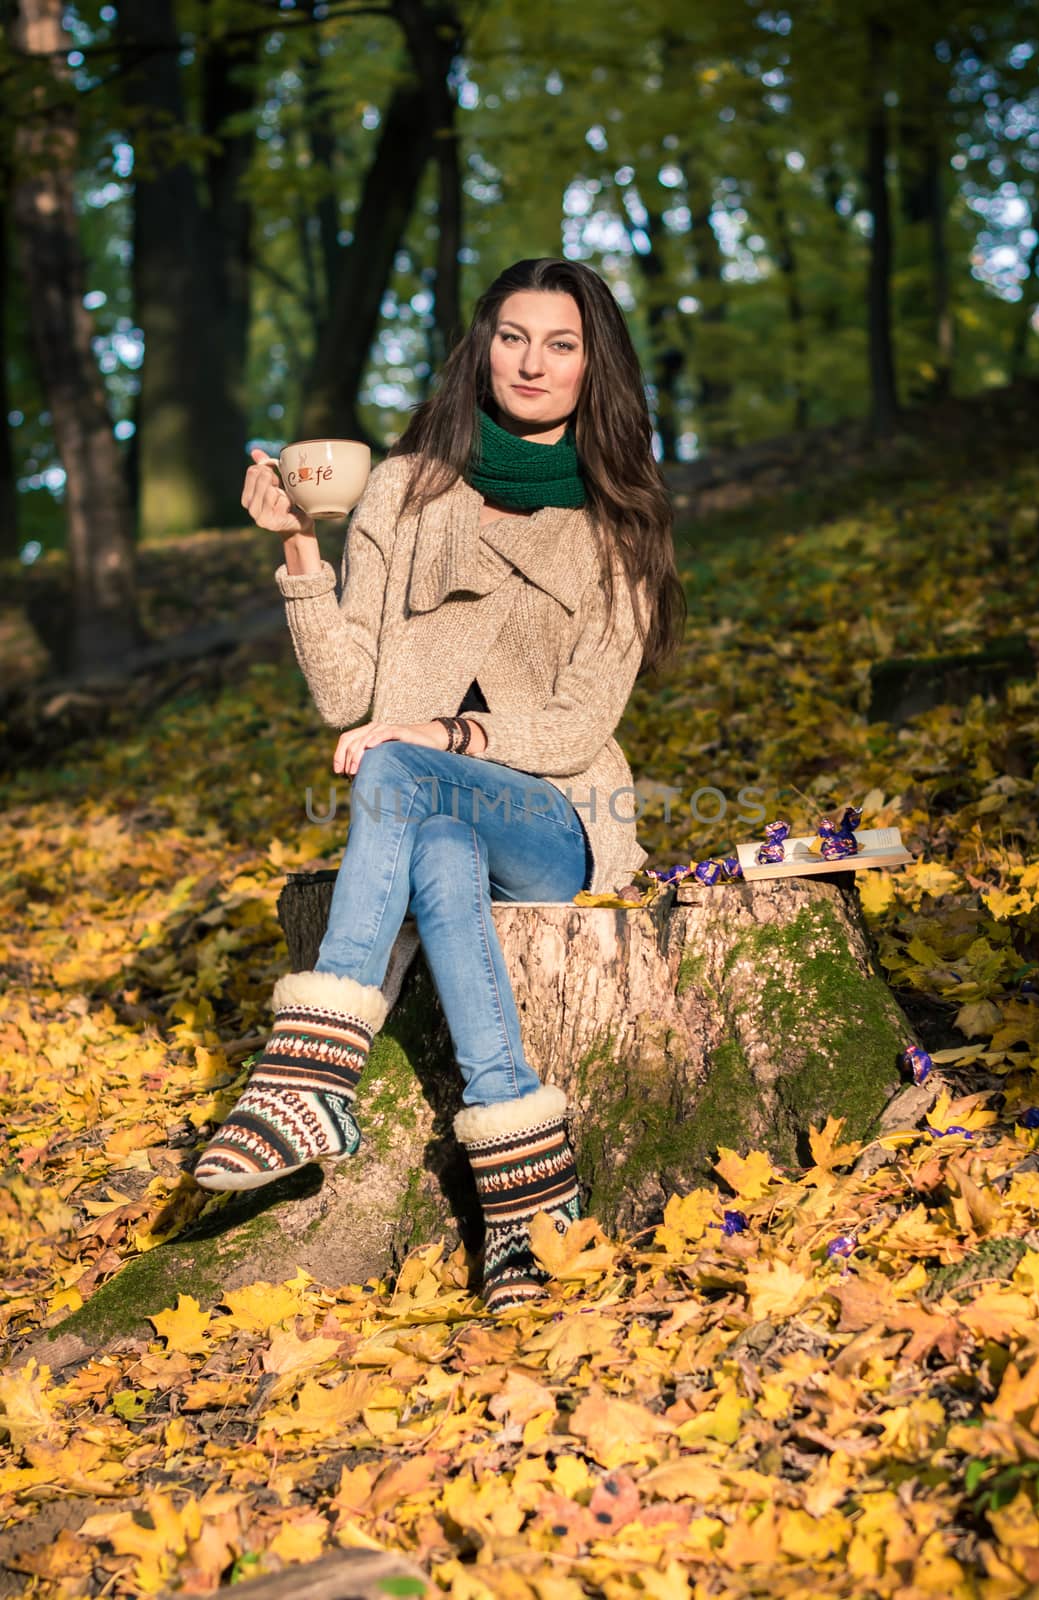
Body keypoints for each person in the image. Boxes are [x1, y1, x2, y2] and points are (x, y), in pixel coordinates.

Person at [193, 257, 686, 1311]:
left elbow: (576, 725)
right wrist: (295, 553)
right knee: (435, 845)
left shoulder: (622, 522)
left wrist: (443, 732)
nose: (531, 362)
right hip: (430, 807)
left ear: (592, 368)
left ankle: (309, 1073)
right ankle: (527, 1195)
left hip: (557, 817)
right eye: (512, 336)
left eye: (560, 344)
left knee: (403, 766)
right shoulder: (403, 492)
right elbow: (345, 693)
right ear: (481, 344)